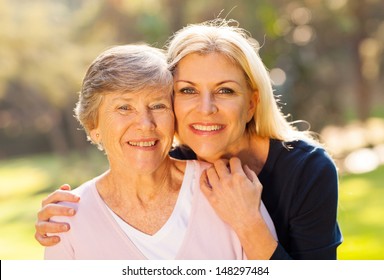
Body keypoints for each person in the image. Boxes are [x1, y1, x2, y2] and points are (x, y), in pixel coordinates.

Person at [36, 18, 342, 259]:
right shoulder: (176, 159)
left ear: (251, 103)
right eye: (187, 91)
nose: (206, 109)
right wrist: (73, 212)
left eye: (225, 90)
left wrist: (248, 223)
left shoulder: (307, 170)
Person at [43, 43, 276, 260]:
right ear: (94, 127)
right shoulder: (67, 221)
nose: (145, 123)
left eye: (157, 106)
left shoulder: (231, 188)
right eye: (124, 107)